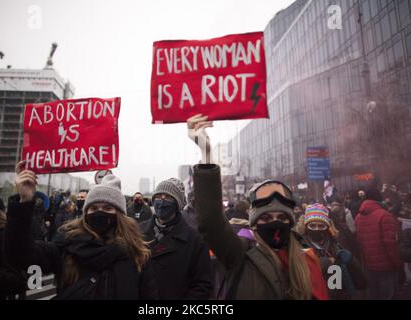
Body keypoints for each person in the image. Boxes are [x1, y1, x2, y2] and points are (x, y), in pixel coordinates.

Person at [187, 114, 328, 300]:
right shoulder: (241, 255)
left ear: (291, 222)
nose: (275, 224)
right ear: (253, 223)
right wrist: (206, 153)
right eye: (266, 218)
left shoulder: (309, 259)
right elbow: (210, 220)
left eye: (282, 218)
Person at [4, 161, 158, 300]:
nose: (99, 212)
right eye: (93, 208)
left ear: (119, 215)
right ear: (85, 214)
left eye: (108, 208)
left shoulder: (137, 254)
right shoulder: (65, 246)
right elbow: (19, 253)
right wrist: (24, 201)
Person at [139, 178, 213, 300]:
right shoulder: (137, 232)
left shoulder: (195, 240)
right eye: (158, 196)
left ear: (177, 204)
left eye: (168, 197)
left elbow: (202, 285)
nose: (161, 201)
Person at [296, 204, 366, 299]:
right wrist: (325, 263)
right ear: (305, 227)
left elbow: (361, 281)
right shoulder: (299, 247)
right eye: (312, 226)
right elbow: (299, 277)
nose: (316, 229)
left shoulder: (335, 244)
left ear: (328, 227)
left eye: (321, 226)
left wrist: (352, 261)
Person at [355, 187, 402, 299]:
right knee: (388, 295)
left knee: (374, 295)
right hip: (386, 267)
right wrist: (398, 263)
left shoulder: (358, 217)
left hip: (369, 266)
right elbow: (391, 244)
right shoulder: (385, 216)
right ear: (379, 199)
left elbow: (359, 241)